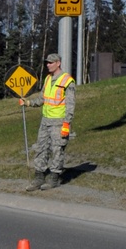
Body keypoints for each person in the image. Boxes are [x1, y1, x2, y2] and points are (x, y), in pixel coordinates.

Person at [21, 51, 75, 190]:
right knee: (41, 149)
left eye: (51, 62)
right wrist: (28, 103)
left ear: (58, 63)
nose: (48, 65)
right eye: (47, 63)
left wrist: (66, 124)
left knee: (57, 150)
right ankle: (38, 178)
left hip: (59, 122)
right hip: (45, 121)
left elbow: (70, 105)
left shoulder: (67, 80)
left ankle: (54, 179)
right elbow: (41, 99)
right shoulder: (47, 79)